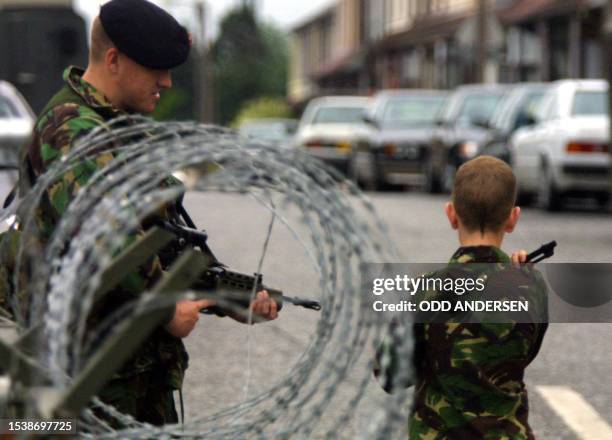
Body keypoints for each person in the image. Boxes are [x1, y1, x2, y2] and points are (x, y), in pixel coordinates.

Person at [13, 0, 278, 425]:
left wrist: (226, 293)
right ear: (114, 60)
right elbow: (104, 233)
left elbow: (163, 236)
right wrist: (165, 309)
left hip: (130, 368)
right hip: (77, 371)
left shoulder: (124, 130)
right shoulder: (71, 130)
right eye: (156, 68)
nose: (168, 82)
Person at [376, 156, 548, 439]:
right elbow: (522, 355)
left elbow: (390, 376)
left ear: (451, 215)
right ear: (513, 219)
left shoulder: (426, 291)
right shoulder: (531, 285)